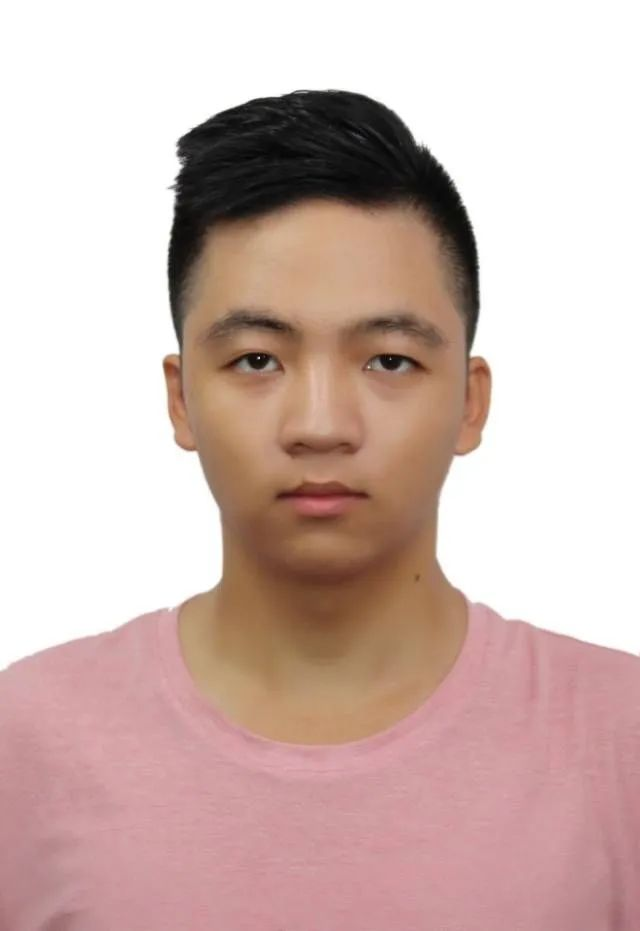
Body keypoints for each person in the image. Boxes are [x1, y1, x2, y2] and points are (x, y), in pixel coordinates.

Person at [1, 88, 638, 930]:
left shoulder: (620, 738)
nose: (320, 424)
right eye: (258, 359)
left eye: (389, 361)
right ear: (181, 398)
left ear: (470, 402)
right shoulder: (25, 740)